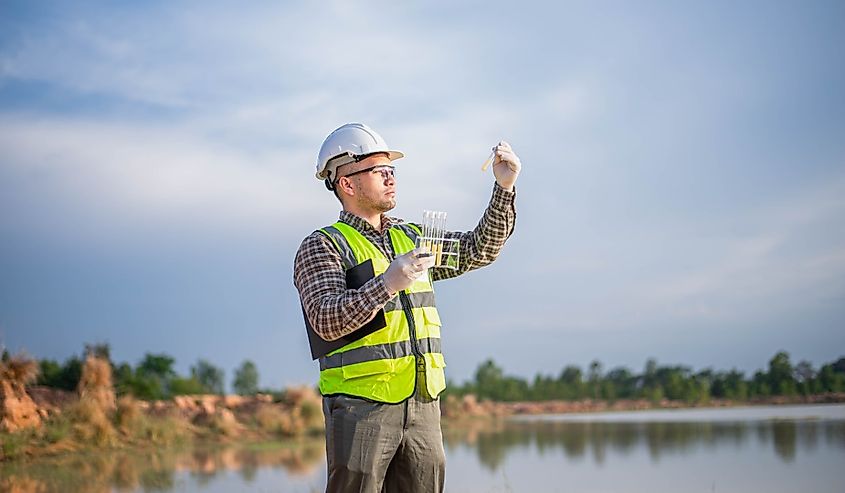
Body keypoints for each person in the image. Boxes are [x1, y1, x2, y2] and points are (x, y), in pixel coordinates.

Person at [293, 122, 520, 492]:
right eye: (378, 171)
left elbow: (479, 250)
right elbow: (326, 319)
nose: (390, 178)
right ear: (346, 183)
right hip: (359, 407)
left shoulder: (412, 237)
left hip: (423, 405)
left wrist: (504, 188)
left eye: (391, 170)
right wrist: (387, 283)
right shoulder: (323, 246)